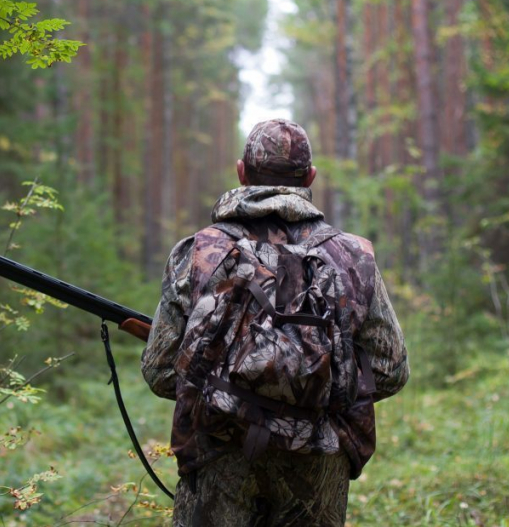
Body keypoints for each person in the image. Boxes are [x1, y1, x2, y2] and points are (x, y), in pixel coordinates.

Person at [141, 118, 409, 526]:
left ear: (242, 172)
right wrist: (314, 393)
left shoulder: (198, 252)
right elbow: (391, 371)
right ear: (310, 177)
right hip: (320, 459)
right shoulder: (353, 256)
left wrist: (230, 392)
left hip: (218, 453)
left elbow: (160, 372)